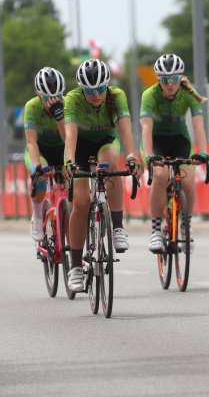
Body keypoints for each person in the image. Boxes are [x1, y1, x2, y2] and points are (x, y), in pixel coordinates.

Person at [64, 59, 142, 292]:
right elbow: (70, 134)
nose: (96, 94)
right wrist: (69, 160)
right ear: (82, 89)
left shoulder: (116, 95)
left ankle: (117, 227)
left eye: (100, 89)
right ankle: (76, 266)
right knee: (80, 202)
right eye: (90, 90)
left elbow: (126, 129)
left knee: (110, 161)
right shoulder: (73, 99)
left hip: (105, 142)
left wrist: (131, 156)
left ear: (107, 86)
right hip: (79, 148)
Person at [140, 53, 208, 254]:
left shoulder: (189, 93)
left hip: (180, 140)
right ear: (158, 79)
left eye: (174, 79)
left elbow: (198, 126)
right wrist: (150, 155)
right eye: (164, 79)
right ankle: (155, 230)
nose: (170, 84)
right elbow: (145, 128)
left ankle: (186, 224)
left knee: (187, 182)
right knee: (160, 176)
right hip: (157, 141)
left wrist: (203, 152)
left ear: (181, 77)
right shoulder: (149, 95)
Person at [24, 66, 66, 241]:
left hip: (61, 148)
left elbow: (68, 139)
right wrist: (38, 167)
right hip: (39, 150)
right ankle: (37, 216)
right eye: (48, 97)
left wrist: (59, 117)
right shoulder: (32, 107)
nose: (53, 100)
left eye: (57, 95)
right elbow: (31, 141)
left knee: (73, 182)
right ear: (38, 94)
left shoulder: (67, 104)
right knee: (39, 178)